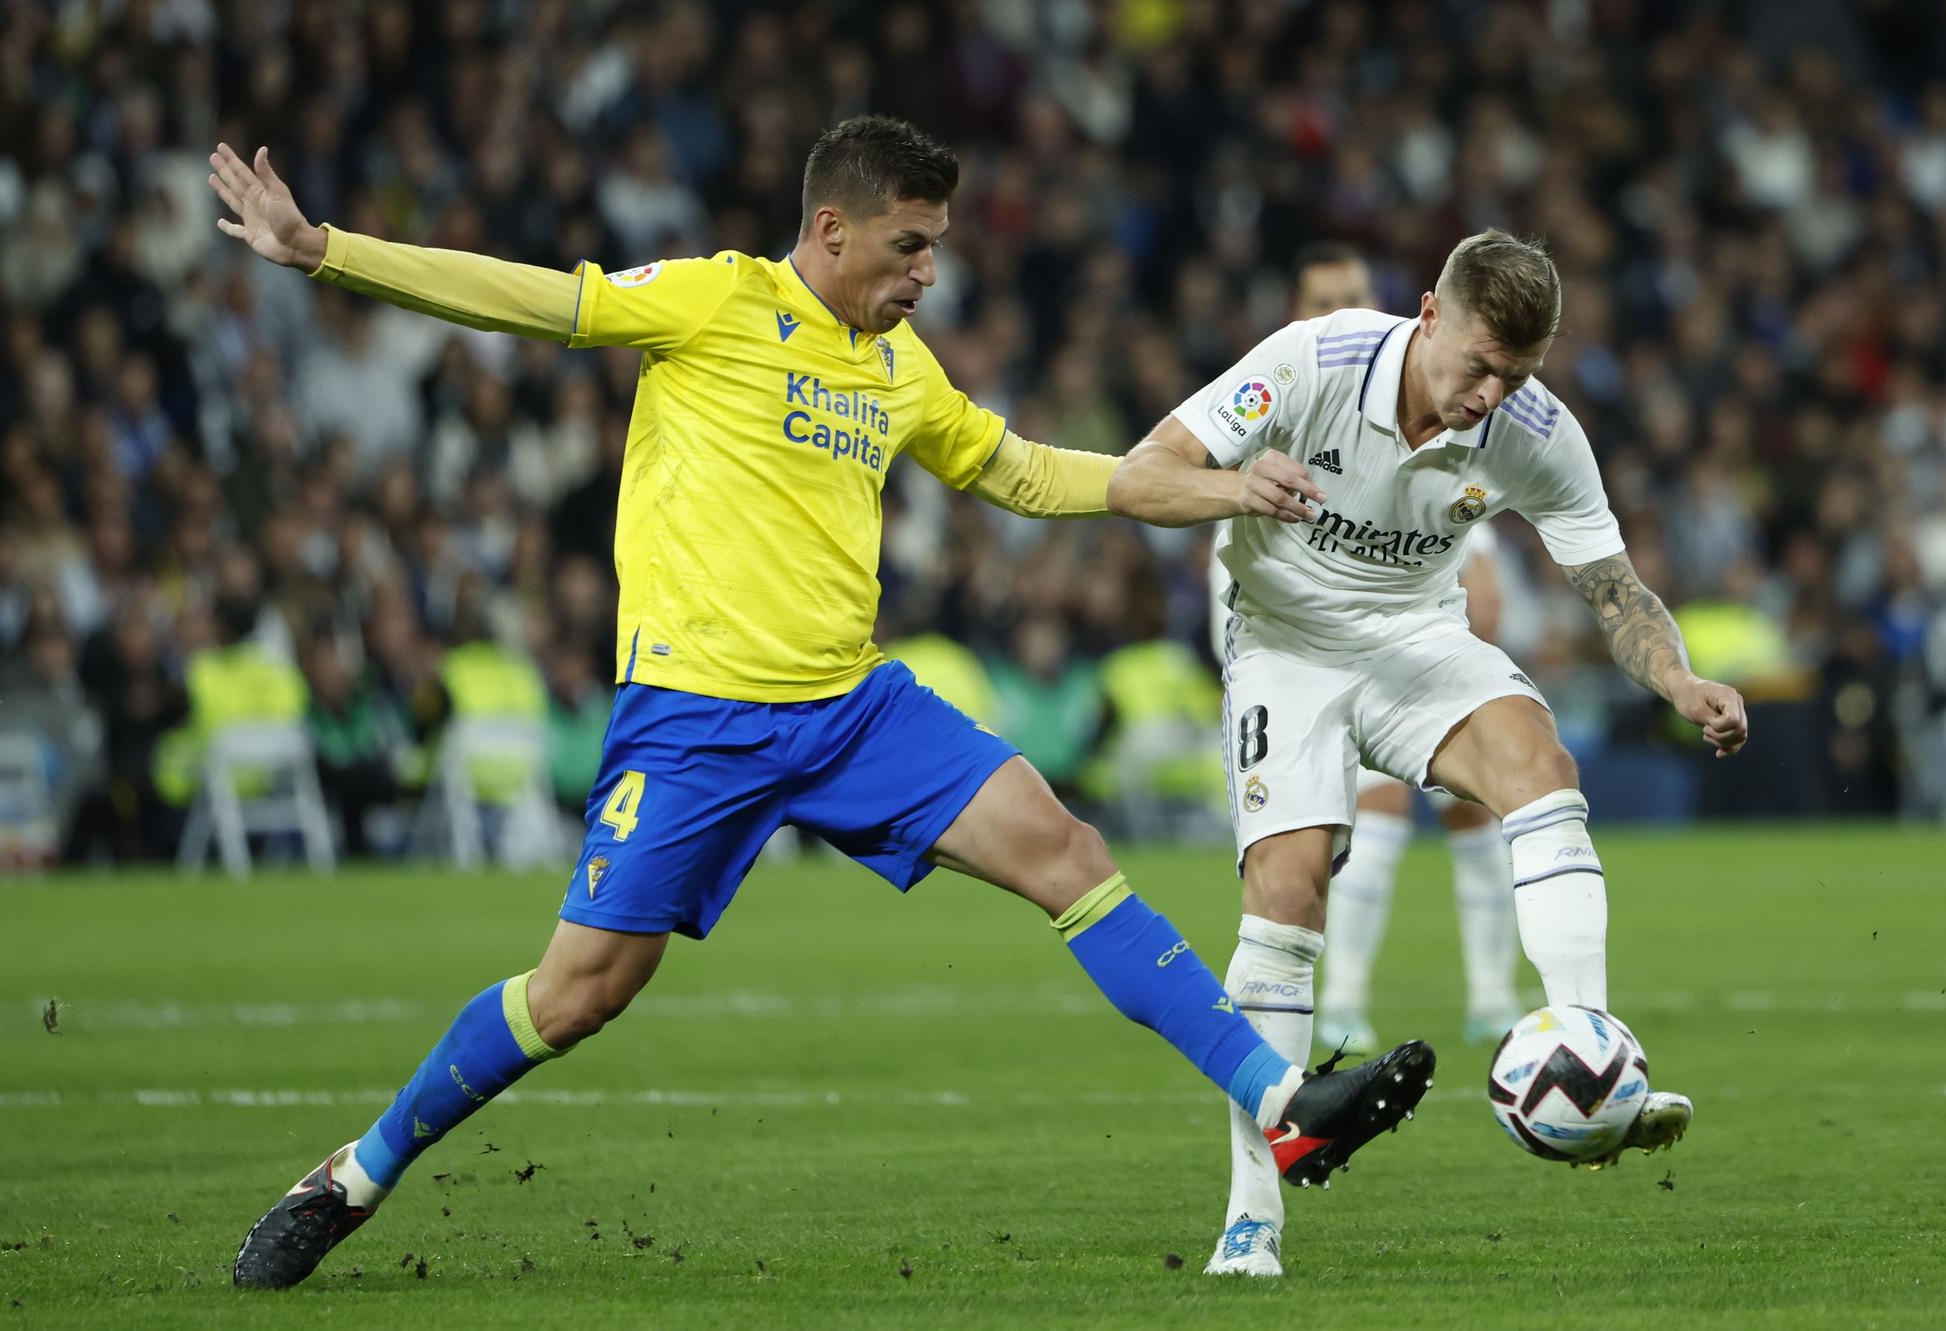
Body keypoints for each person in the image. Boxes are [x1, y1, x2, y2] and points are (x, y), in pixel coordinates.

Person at [208, 117, 1436, 1290]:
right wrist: (325, 251)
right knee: (577, 993)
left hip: (851, 710)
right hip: (693, 722)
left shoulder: (900, 368)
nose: (927, 274)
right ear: (833, 228)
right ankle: (355, 1173)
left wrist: (1221, 487)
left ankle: (1281, 1108)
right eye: (910, 246)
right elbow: (538, 297)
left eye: (937, 248)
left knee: (1068, 849)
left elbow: (1022, 469)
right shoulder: (717, 298)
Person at [1110, 228, 1749, 1277]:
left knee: (1541, 765)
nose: (1490, 393)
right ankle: (1250, 1212)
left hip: (1416, 640)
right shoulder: (1306, 362)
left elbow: (1612, 588)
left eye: (1516, 373)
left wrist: (1676, 679)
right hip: (1284, 647)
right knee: (1286, 883)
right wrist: (1237, 489)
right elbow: (1142, 477)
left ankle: (1591, 1055)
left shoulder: (1534, 429)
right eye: (1478, 364)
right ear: (1427, 313)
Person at [1210, 243, 1525, 1063]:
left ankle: (1492, 995)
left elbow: (1477, 570)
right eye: (1323, 300)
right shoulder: (1277, 408)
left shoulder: (1435, 419)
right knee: (1336, 836)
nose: (1339, 313)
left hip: (1405, 644)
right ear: (1296, 311)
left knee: (1476, 800)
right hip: (1294, 655)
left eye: (1353, 297)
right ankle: (1344, 996)